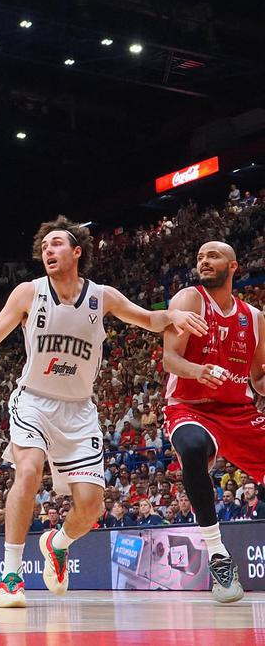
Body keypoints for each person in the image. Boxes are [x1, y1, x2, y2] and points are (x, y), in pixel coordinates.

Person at [0, 216, 206, 609]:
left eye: (56, 244)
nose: (48, 251)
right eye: (44, 247)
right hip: (33, 400)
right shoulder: (28, 292)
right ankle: (11, 574)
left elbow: (148, 319)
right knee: (29, 470)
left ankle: (58, 543)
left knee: (90, 506)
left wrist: (171, 315)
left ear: (77, 251)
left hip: (79, 411)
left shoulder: (102, 296)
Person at [161, 241, 265, 603]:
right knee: (191, 448)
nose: (204, 261)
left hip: (239, 412)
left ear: (233, 266)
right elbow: (169, 359)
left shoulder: (253, 317)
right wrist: (198, 371)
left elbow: (259, 379)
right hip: (191, 406)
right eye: (200, 256)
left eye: (213, 256)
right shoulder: (189, 300)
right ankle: (218, 554)